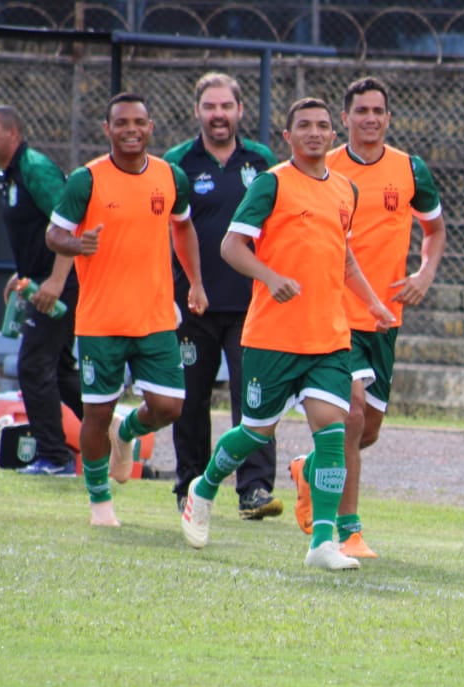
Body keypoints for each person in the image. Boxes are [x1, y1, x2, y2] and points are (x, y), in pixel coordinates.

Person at [179, 97, 395, 571]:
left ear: (332, 134)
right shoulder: (271, 184)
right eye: (304, 126)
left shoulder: (345, 189)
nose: (314, 132)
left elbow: (344, 257)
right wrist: (270, 276)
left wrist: (373, 303)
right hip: (272, 338)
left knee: (333, 434)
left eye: (321, 125)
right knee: (256, 432)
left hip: (329, 337)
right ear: (288, 136)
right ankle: (205, 488)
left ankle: (322, 543)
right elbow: (231, 246)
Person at [289, 76, 446, 559]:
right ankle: (348, 530)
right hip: (334, 313)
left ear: (389, 118)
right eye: (361, 111)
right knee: (352, 416)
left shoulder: (410, 169)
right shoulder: (326, 168)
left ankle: (310, 470)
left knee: (366, 430)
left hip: (383, 319)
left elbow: (435, 229)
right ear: (345, 119)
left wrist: (424, 274)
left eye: (378, 111)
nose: (370, 119)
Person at [45, 92, 206, 527]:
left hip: (155, 316)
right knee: (96, 413)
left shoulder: (171, 176)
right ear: (107, 129)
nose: (131, 129)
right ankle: (100, 502)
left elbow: (183, 227)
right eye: (121, 123)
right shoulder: (86, 180)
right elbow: (53, 235)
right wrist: (76, 244)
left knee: (170, 407)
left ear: (151, 127)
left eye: (139, 122)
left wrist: (195, 282)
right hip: (101, 321)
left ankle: (128, 431)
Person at [164, 73, 282, 520]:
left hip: (252, 306)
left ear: (240, 111)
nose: (218, 115)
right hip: (193, 305)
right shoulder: (177, 163)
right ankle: (191, 486)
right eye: (210, 106)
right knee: (191, 400)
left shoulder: (262, 161)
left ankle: (254, 490)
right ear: (197, 110)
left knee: (254, 400)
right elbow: (164, 229)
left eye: (226, 106)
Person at [0, 104, 83, 476]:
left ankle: (55, 457)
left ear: (12, 133)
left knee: (33, 364)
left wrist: (55, 282)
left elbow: (69, 226)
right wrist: (24, 275)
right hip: (40, 281)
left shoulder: (35, 168)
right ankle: (105, 437)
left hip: (59, 284)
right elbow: (35, 230)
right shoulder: (11, 175)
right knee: (59, 369)